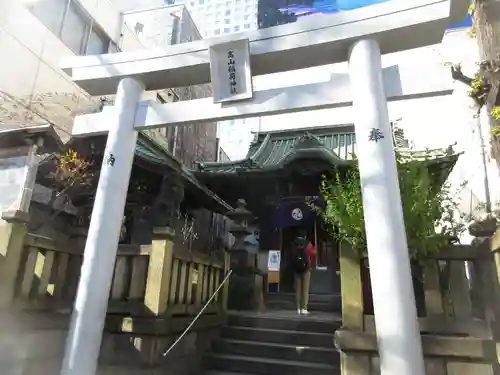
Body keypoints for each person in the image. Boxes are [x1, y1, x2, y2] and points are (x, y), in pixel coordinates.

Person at [291, 229, 315, 315]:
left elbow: (291, 255)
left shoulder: (293, 243)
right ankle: (304, 308)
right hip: (306, 269)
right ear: (305, 235)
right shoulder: (308, 244)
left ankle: (298, 308)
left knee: (297, 290)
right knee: (305, 290)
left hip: (296, 269)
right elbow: (312, 254)